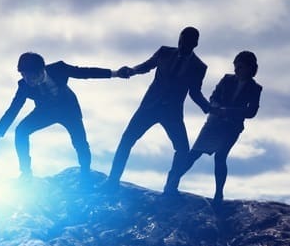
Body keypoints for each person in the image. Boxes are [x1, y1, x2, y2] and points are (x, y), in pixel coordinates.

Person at [0, 52, 121, 180]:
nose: (27, 80)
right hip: (45, 112)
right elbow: (12, 111)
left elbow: (85, 73)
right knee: (21, 131)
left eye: (30, 76)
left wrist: (115, 73)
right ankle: (26, 174)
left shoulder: (59, 68)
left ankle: (85, 174)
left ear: (41, 71)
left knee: (80, 143)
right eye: (23, 75)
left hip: (68, 110)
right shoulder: (23, 86)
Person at [103, 27, 210, 191]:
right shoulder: (164, 52)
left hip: (172, 113)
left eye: (187, 42)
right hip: (149, 107)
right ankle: (112, 180)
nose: (182, 45)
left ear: (195, 43)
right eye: (181, 40)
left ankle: (170, 187)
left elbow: (195, 92)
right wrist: (131, 71)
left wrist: (207, 107)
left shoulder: (199, 67)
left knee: (182, 150)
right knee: (127, 140)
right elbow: (147, 65)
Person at [162, 51, 262, 205]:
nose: (236, 70)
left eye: (240, 67)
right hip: (214, 122)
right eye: (235, 66)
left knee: (220, 157)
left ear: (250, 68)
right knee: (194, 154)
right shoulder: (227, 79)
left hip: (232, 127)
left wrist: (228, 112)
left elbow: (251, 111)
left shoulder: (255, 88)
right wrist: (215, 106)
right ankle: (172, 183)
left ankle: (218, 195)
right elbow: (214, 96)